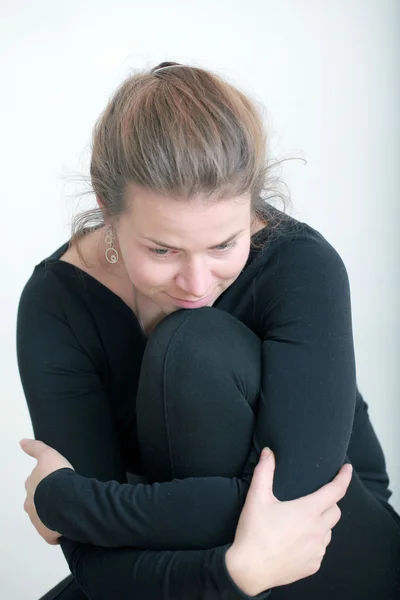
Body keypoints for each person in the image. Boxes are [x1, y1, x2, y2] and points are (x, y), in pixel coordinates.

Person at [17, 62, 400, 600]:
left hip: (335, 534)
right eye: (162, 250)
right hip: (194, 552)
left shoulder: (302, 267)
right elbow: (95, 565)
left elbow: (291, 509)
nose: (197, 283)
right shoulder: (57, 304)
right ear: (108, 211)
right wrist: (231, 576)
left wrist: (69, 501)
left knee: (191, 345)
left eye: (224, 243)